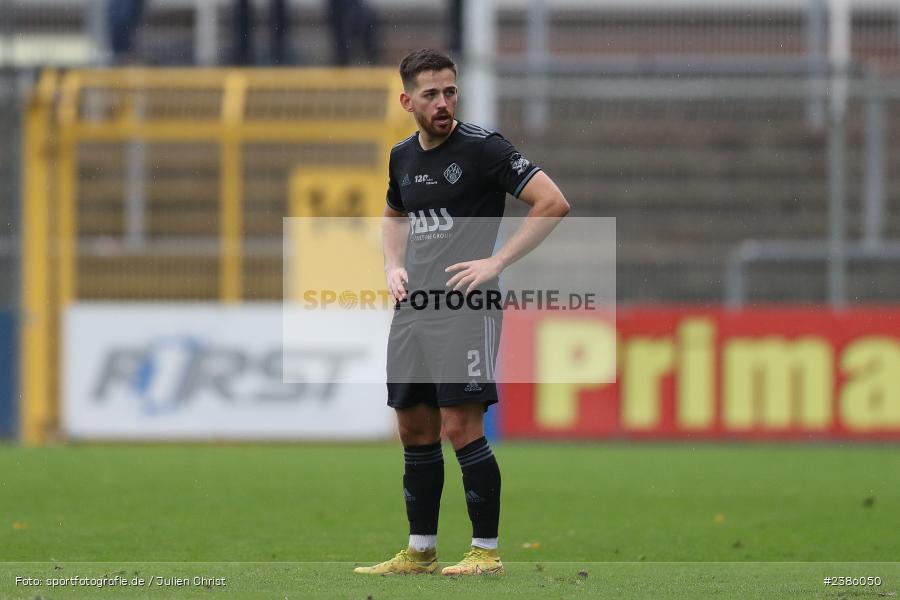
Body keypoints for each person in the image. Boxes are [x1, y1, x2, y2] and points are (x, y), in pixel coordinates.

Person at [354, 49, 570, 577]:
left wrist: (497, 261)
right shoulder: (402, 156)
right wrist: (393, 266)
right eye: (430, 94)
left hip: (466, 307)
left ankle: (485, 552)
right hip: (414, 309)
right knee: (414, 427)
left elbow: (553, 202)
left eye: (450, 91)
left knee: (461, 426)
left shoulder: (483, 148)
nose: (443, 102)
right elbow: (393, 214)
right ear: (407, 101)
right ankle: (421, 551)